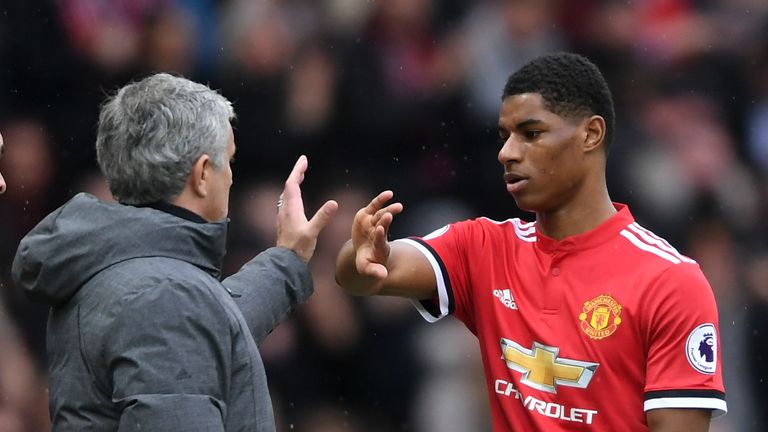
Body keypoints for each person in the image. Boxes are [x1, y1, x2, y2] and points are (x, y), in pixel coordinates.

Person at [335, 52, 727, 431]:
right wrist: (362, 254)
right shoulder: (483, 248)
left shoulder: (671, 282)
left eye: (531, 134)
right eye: (504, 136)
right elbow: (364, 275)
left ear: (590, 134)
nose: (506, 153)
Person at [12, 73, 338, 431]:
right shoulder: (164, 295)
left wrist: (288, 258)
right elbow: (184, 333)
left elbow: (205, 334)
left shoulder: (121, 271)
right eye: (228, 161)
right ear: (201, 174)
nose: (230, 176)